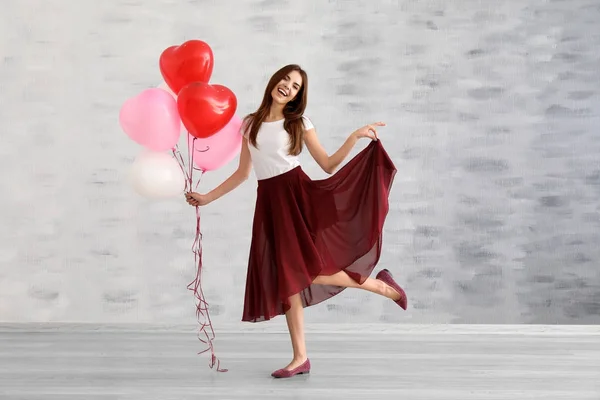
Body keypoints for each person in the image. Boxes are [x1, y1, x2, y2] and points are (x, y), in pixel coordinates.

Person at [185, 64, 407, 378]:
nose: (288, 87)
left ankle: (382, 287)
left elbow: (328, 165)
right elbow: (243, 174)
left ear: (298, 96)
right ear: (274, 81)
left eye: (296, 86)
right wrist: (207, 197)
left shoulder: (299, 123)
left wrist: (354, 136)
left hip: (298, 197)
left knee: (303, 273)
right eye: (285, 80)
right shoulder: (250, 124)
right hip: (270, 204)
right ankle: (300, 357)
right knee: (289, 280)